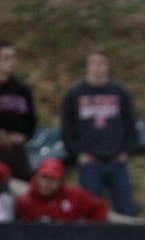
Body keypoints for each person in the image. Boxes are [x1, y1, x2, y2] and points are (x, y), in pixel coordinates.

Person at [59, 48, 138, 216]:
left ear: (108, 66)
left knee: (126, 210)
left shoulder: (120, 93)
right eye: (93, 63)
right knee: (91, 210)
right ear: (87, 66)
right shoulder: (75, 94)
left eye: (101, 63)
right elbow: (67, 128)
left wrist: (126, 150)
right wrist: (78, 154)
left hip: (116, 161)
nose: (97, 67)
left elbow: (131, 124)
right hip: (89, 163)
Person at [15, 157, 108, 222]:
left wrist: (94, 236)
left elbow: (98, 207)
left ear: (60, 182)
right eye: (43, 177)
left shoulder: (75, 195)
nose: (46, 184)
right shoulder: (24, 203)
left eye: (52, 179)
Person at [0, 42, 38, 181]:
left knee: (23, 193)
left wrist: (23, 136)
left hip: (17, 152)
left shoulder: (22, 90)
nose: (12, 62)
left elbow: (31, 121)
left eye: (13, 57)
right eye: (6, 58)